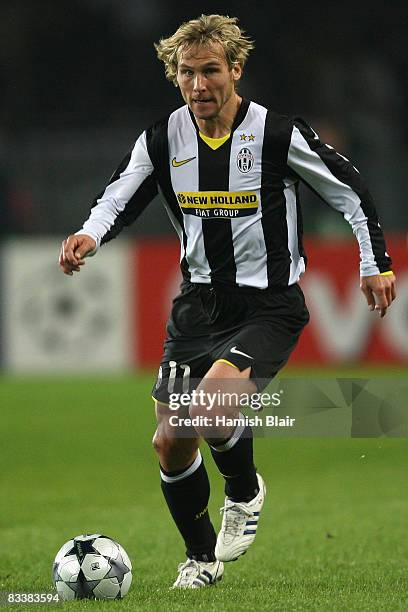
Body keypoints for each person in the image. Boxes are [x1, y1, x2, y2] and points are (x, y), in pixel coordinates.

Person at [59, 14, 396, 589]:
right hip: (196, 308)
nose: (198, 85)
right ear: (175, 77)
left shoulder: (278, 133)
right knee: (170, 440)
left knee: (214, 407)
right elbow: (117, 197)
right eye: (186, 73)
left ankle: (243, 491)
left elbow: (350, 190)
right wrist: (89, 235)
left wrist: (374, 261)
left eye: (210, 70)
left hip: (268, 307)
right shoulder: (163, 138)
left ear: (235, 70)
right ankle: (201, 561)